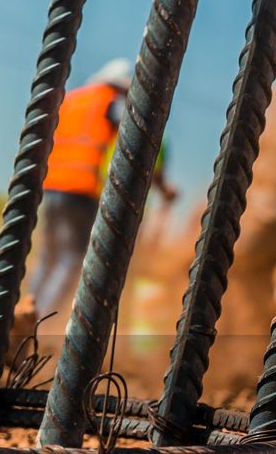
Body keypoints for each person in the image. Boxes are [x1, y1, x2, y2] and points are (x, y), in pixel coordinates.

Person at [26, 58, 177, 317]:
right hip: (82, 190)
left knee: (47, 257)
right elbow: (137, 131)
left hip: (52, 184)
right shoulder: (111, 101)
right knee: (69, 259)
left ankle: (24, 310)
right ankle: (37, 320)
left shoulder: (74, 100)